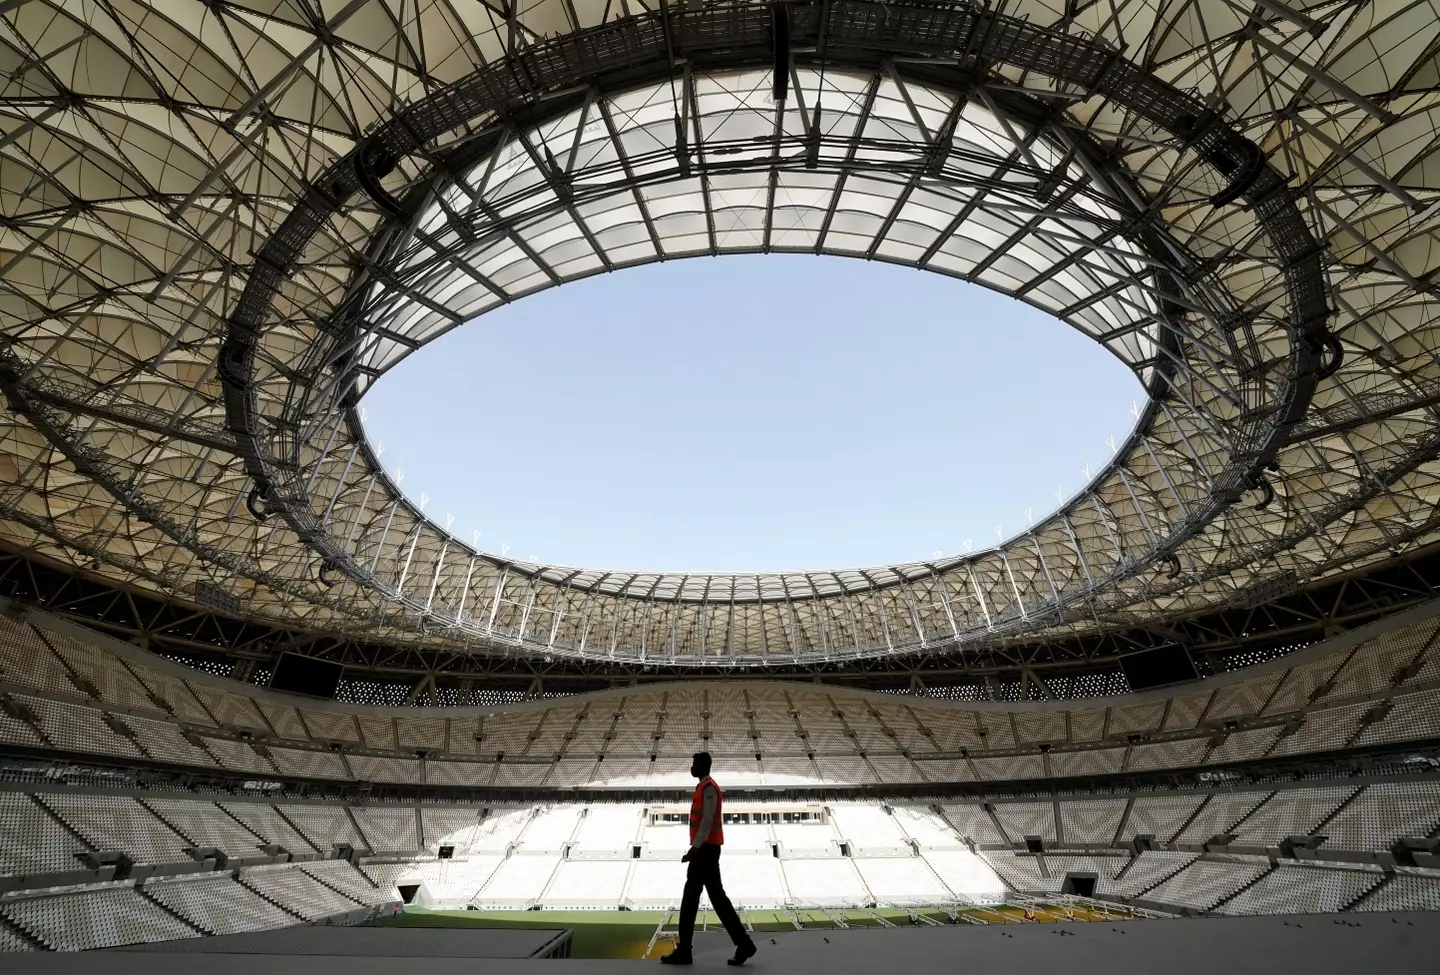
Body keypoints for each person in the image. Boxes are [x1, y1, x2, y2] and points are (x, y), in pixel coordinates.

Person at [660, 752, 758, 967]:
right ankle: (744, 944)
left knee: (690, 900)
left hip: (705, 852)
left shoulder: (709, 788)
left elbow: (706, 823)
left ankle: (685, 951)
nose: (691, 767)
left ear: (703, 766)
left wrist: (694, 850)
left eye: (694, 764)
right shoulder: (703, 787)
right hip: (706, 851)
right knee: (717, 899)